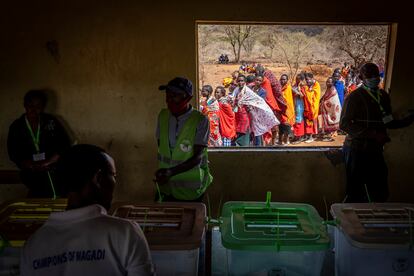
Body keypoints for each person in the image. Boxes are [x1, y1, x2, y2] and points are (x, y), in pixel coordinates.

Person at [20, 144, 155, 275]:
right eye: (113, 176)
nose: (114, 182)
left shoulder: (33, 245)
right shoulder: (125, 233)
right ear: (98, 178)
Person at [340, 63, 414, 202]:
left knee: (380, 191)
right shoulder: (355, 97)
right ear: (362, 77)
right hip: (356, 150)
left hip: (375, 150)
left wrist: (408, 120)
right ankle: (348, 221)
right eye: (369, 75)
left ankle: (374, 220)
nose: (374, 78)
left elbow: (389, 122)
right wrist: (373, 134)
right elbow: (344, 124)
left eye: (376, 75)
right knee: (355, 192)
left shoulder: (383, 96)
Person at [155, 77, 212, 201]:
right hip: (166, 188)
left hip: (191, 191)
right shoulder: (163, 116)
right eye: (168, 94)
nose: (169, 99)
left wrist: (170, 172)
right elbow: (162, 147)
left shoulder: (200, 120)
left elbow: (198, 157)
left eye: (175, 95)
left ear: (188, 98)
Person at [7, 89, 71, 198]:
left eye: (38, 106)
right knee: (38, 193)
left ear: (43, 107)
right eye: (30, 105)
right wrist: (29, 165)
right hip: (30, 172)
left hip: (52, 168)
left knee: (58, 189)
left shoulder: (51, 122)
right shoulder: (17, 126)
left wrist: (47, 163)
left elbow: (64, 145)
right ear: (24, 105)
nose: (33, 110)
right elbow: (13, 153)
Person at [232, 75, 279, 146]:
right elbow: (233, 99)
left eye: (242, 81)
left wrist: (247, 104)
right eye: (239, 81)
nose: (240, 82)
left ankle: (258, 147)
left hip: (254, 114)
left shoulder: (251, 91)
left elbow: (259, 102)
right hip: (240, 114)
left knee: (257, 130)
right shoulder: (241, 89)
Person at [319, 77, 341, 141]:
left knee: (330, 123)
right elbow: (325, 96)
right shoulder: (329, 89)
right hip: (327, 110)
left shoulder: (333, 90)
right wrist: (321, 100)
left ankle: (329, 137)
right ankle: (327, 135)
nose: (327, 83)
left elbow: (333, 101)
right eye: (327, 81)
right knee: (326, 122)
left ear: (333, 83)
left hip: (331, 110)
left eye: (329, 82)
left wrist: (324, 102)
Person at [303, 73, 321, 143]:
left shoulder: (316, 85)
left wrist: (307, 91)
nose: (307, 81)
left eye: (308, 80)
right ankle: (310, 135)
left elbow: (311, 95)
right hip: (308, 107)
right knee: (309, 122)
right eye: (306, 80)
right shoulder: (309, 86)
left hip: (313, 107)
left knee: (310, 122)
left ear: (312, 78)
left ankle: (311, 137)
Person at [279, 74, 295, 145]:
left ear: (287, 80)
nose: (283, 81)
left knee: (287, 126)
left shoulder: (288, 87)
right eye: (281, 79)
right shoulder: (279, 88)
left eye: (284, 79)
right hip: (280, 110)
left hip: (288, 110)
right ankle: (280, 141)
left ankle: (286, 140)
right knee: (280, 127)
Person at [291, 73, 306, 144]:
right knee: (295, 120)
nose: (296, 80)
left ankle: (299, 137)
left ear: (301, 80)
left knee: (299, 120)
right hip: (295, 104)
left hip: (300, 105)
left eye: (298, 79)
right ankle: (296, 136)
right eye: (296, 79)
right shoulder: (295, 85)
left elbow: (303, 95)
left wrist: (297, 91)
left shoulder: (303, 86)